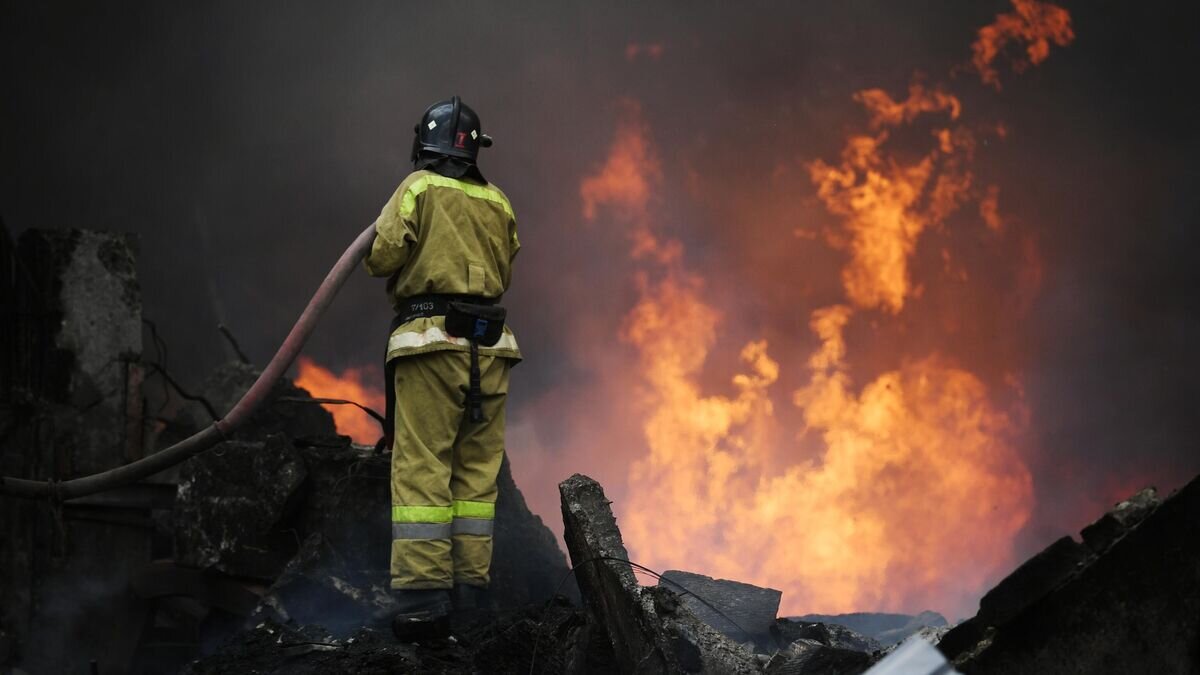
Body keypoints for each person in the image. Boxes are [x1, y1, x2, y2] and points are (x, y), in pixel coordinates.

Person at [363, 96, 521, 641]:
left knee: (422, 464)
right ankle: (471, 597)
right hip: (492, 346)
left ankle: (424, 601)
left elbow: (381, 256)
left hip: (432, 343)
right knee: (476, 477)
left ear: (423, 143)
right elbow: (509, 260)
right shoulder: (499, 201)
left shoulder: (418, 189)